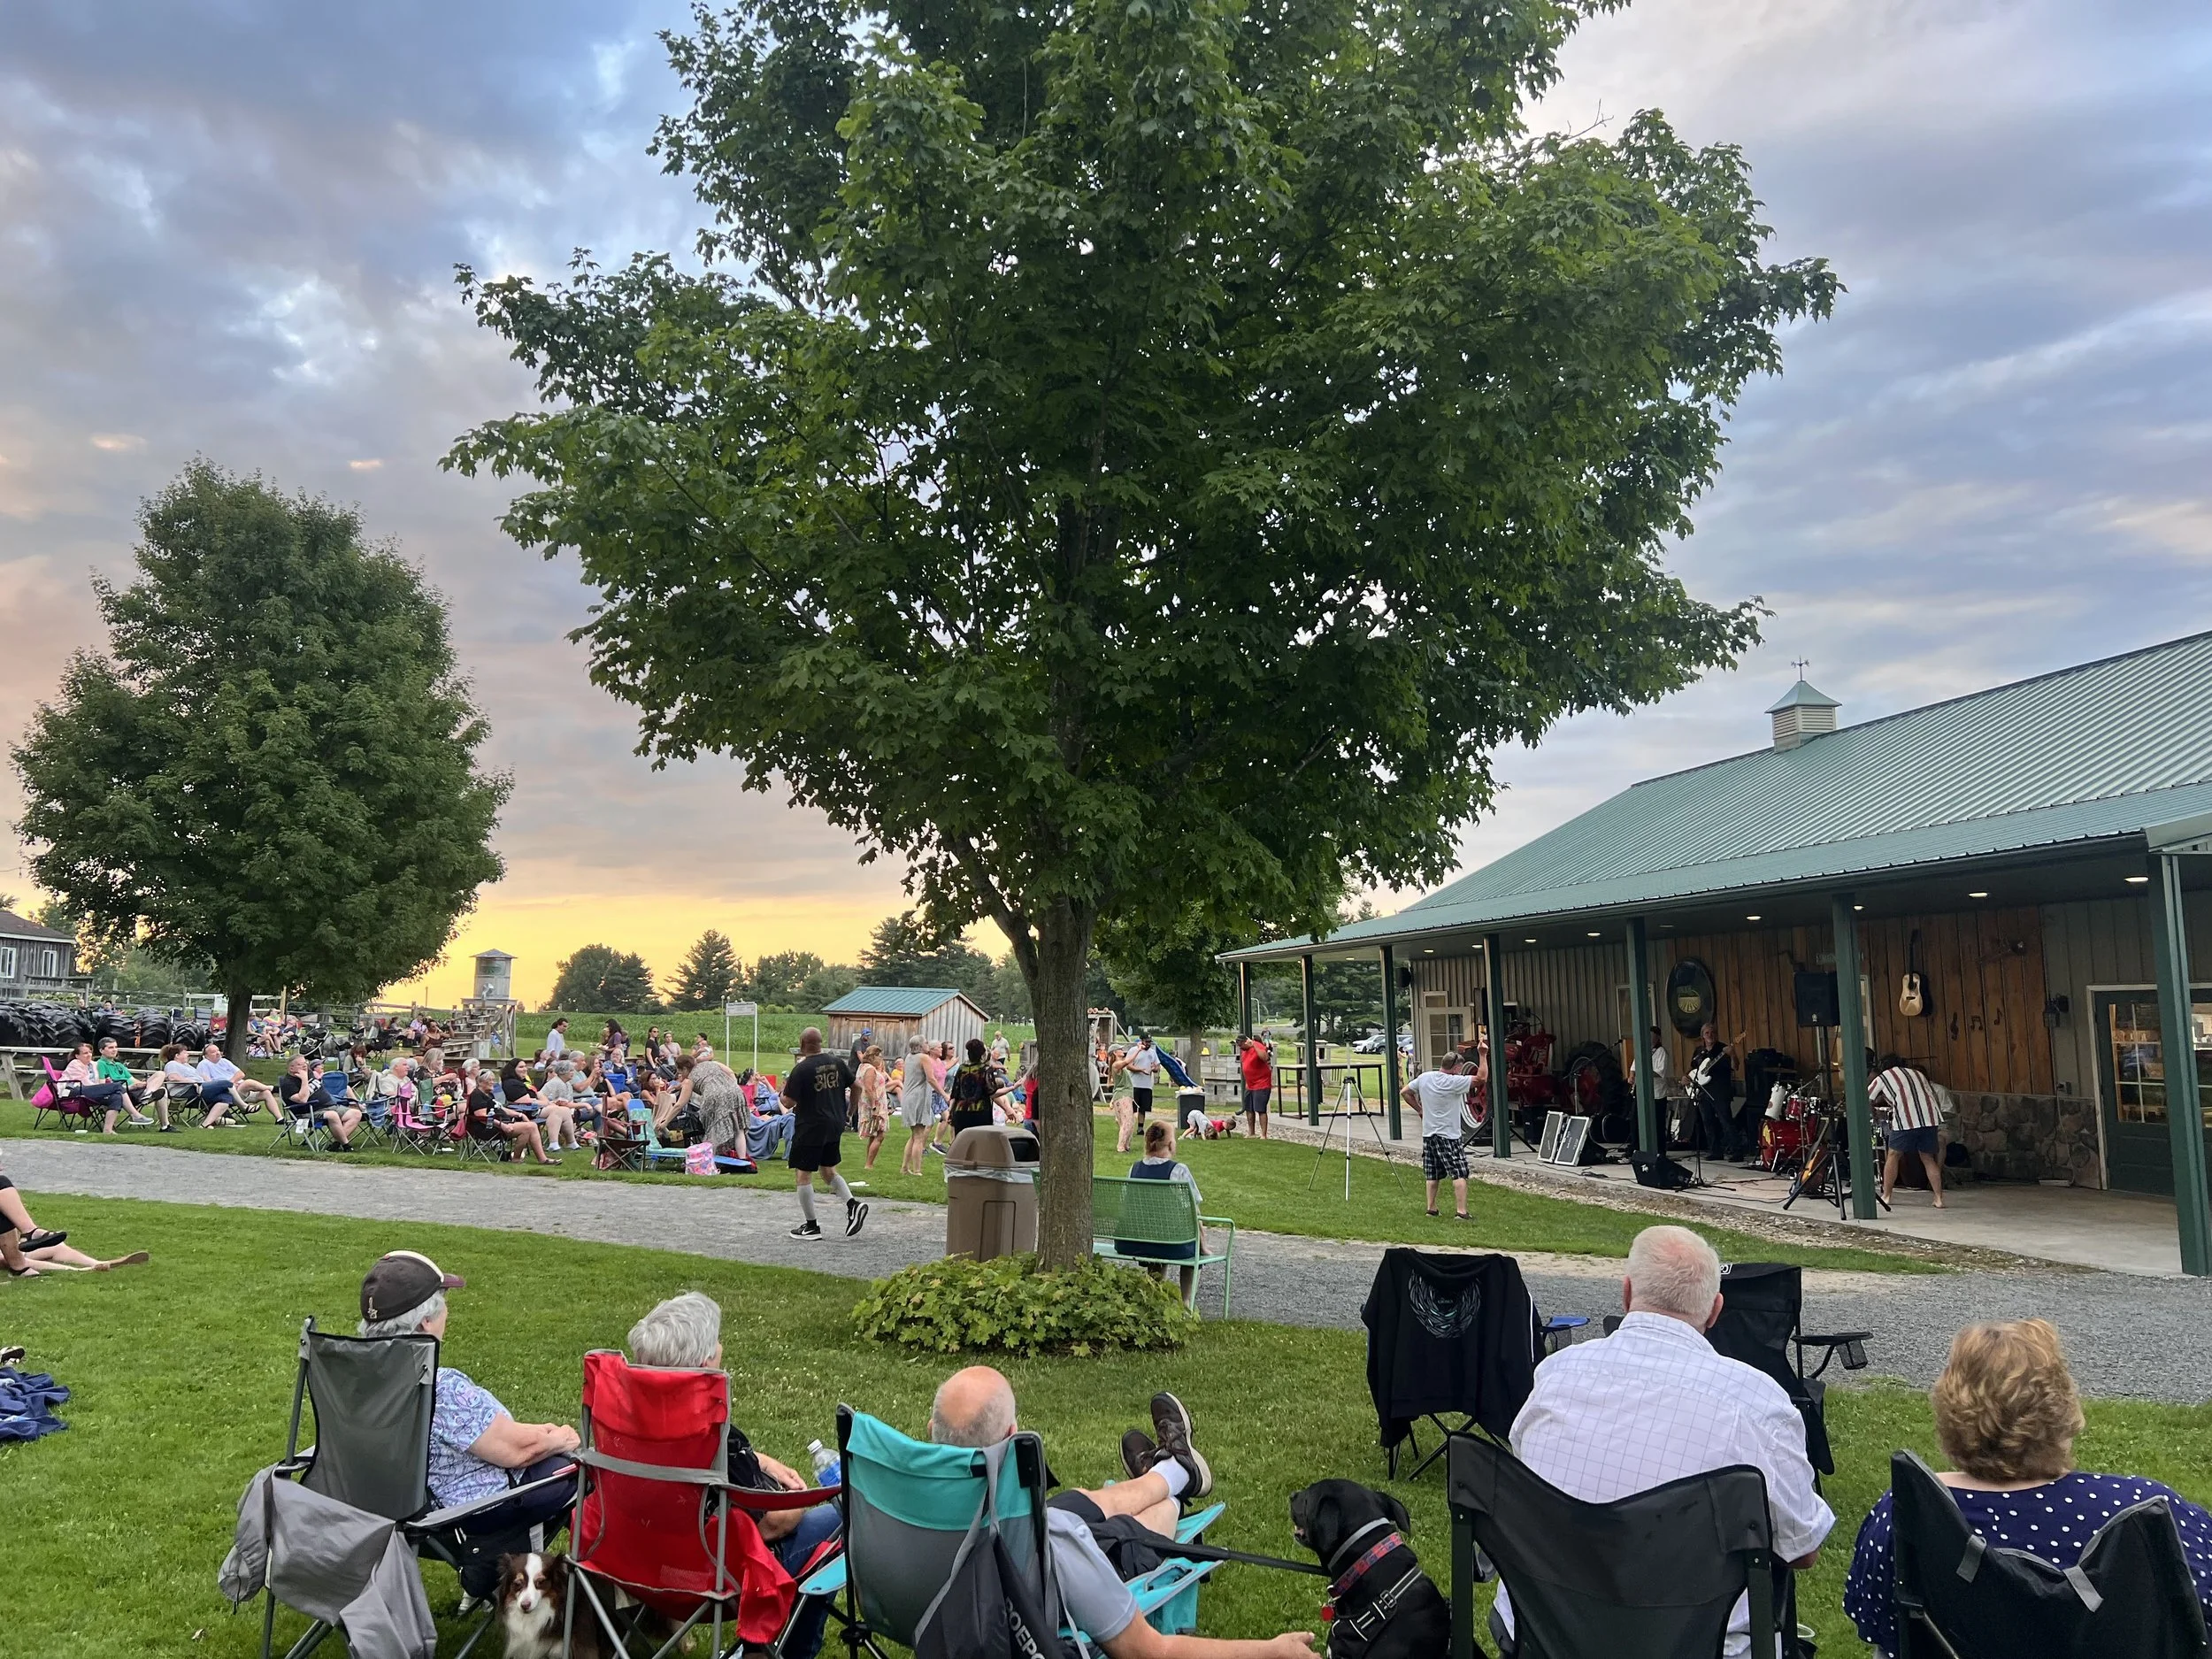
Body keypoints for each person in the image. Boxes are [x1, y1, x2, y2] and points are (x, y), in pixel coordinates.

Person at [1497, 1226, 1832, 1657]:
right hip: (1698, 1646)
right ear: (1715, 1311)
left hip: (1544, 1637)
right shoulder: (1756, 1401)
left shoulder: (1554, 1376)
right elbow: (1802, 1549)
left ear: (1626, 1293)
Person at [1844, 1317, 2212, 1656]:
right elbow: (2197, 1618)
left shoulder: (1912, 1511)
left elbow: (1881, 1627)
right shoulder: (2148, 1507)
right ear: (2062, 1404)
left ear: (1950, 1408)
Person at [928, 1369, 1312, 1659]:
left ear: (931, 1430)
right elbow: (1150, 1651)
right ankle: (1175, 1487)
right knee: (1135, 1528)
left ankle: (1175, 1471)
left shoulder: (900, 1514)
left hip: (991, 1522)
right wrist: (1273, 1650)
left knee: (1084, 1500)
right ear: (1014, 1436)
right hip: (1036, 1571)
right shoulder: (1058, 1540)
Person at [356, 1251, 579, 1601]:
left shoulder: (356, 1380)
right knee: (574, 1468)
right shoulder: (438, 1388)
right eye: (442, 1303)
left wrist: (539, 1432)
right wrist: (561, 1437)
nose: (447, 1312)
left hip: (386, 1508)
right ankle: (589, 1591)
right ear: (425, 1323)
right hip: (464, 1519)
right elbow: (517, 1452)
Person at [629, 1293, 841, 1658]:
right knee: (838, 1520)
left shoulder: (625, 1421)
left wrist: (759, 1461)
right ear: (703, 1362)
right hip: (709, 1579)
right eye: (716, 1343)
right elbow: (772, 1522)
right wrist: (795, 1504)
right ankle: (778, 1652)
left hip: (638, 1565)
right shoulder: (710, 1432)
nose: (721, 1348)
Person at [781, 1028, 867, 1240]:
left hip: (811, 1125)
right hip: (834, 1123)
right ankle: (853, 1205)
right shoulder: (836, 1062)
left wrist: (782, 1093)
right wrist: (851, 1111)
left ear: (802, 1043)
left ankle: (811, 1227)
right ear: (821, 1043)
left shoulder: (801, 1069)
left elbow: (788, 1102)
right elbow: (856, 1085)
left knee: (803, 1174)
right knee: (828, 1170)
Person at [1125, 1122, 1207, 1302]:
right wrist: (1202, 1243)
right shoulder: (1178, 1170)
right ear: (1170, 1144)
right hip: (1172, 1243)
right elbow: (1194, 1210)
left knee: (1158, 1241)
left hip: (1140, 1240)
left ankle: (1155, 1297)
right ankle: (1186, 1302)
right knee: (1192, 1251)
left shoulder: (1134, 1169)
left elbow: (1128, 1201)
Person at [1401, 1054, 1474, 1221]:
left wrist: (1420, 1109)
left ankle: (1431, 1209)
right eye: (1460, 1069)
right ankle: (1461, 1212)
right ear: (1456, 1068)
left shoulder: (1425, 1077)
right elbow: (1482, 1078)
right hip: (1449, 1135)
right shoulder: (1454, 1082)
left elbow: (1405, 1092)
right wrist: (1483, 1055)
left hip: (1429, 1134)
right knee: (1459, 1172)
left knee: (1432, 1173)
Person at [1870, 1054, 1948, 1209]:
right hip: (1930, 1118)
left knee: (1893, 1155)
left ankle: (1886, 1195)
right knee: (1928, 1157)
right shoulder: (1917, 1073)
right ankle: (1938, 1198)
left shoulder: (1885, 1076)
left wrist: (1873, 1113)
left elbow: (1866, 1096)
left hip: (1907, 1118)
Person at [464, 1066, 556, 1164]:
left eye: (493, 1080)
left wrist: (520, 1115)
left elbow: (502, 1108)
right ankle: (519, 1158)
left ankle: (537, 1158)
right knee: (529, 1127)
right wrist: (502, 1125)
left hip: (501, 1124)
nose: (492, 1082)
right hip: (487, 1129)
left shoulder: (488, 1094)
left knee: (531, 1126)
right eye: (489, 1080)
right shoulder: (477, 1095)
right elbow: (482, 1118)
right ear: (480, 1082)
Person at [277, 1054, 363, 1149]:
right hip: (308, 1112)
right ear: (291, 1068)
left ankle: (336, 1144)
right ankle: (346, 1145)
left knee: (356, 1114)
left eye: (305, 1062)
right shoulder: (287, 1083)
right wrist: (304, 1079)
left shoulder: (308, 1072)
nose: (305, 1065)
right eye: (300, 1064)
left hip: (330, 1106)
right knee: (332, 1115)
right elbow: (302, 1099)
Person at [81, 1037, 158, 1135]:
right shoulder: (101, 1064)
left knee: (160, 1075)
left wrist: (142, 1084)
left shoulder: (119, 1065)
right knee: (117, 1090)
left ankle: (165, 1124)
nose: (114, 1050)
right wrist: (129, 1088)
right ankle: (137, 1112)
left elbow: (132, 1079)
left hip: (133, 1089)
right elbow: (103, 1084)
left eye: (116, 1047)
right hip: (125, 1092)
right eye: (110, 1048)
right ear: (101, 1051)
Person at [1689, 1023, 1742, 1163]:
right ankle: (1715, 1150)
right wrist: (1686, 1078)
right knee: (1708, 1121)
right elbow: (1694, 1070)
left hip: (1720, 1091)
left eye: (1712, 1032)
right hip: (1703, 1091)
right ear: (1702, 1036)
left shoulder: (1723, 1049)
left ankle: (1737, 1151)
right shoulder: (1699, 1051)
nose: (1710, 1035)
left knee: (1726, 1121)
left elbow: (1735, 1067)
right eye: (1707, 1033)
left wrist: (1732, 1055)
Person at [201, 1041, 278, 1121]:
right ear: (206, 1056)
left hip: (239, 1090)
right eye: (213, 1052)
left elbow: (241, 1074)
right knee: (248, 1083)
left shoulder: (224, 1061)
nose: (217, 1053)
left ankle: (280, 1119)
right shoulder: (204, 1064)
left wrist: (232, 1081)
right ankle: (272, 1089)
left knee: (266, 1093)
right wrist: (228, 1084)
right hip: (227, 1094)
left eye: (218, 1050)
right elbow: (209, 1083)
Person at [159, 1041, 226, 1128]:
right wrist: (192, 1081)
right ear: (177, 1055)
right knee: (226, 1084)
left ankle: (207, 1123)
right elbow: (172, 1077)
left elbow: (199, 1075)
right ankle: (244, 1107)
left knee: (225, 1097)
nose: (188, 1054)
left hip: (198, 1089)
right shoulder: (172, 1064)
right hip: (185, 1092)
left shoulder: (186, 1065)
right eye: (185, 1053)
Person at [737, 1070, 795, 1161]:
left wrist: (767, 1084)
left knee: (789, 1116)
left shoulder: (762, 1085)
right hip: (763, 1108)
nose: (758, 1074)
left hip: (771, 1107)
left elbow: (775, 1097)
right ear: (751, 1076)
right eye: (755, 1073)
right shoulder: (751, 1086)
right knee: (790, 1116)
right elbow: (754, 1099)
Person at [898, 1037, 934, 1176]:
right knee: (919, 1136)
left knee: (914, 1136)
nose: (928, 1044)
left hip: (909, 1097)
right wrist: (944, 1094)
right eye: (926, 1042)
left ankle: (905, 1168)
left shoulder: (908, 1057)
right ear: (919, 1046)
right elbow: (931, 1078)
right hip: (918, 1098)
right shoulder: (924, 1058)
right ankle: (917, 1170)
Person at [947, 1038, 997, 1137]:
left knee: (962, 1144)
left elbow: (955, 1093)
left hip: (961, 1111)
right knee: (980, 1145)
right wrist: (1010, 1088)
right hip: (980, 1112)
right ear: (982, 1054)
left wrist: (951, 1111)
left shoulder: (961, 1068)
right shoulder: (985, 1069)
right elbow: (992, 1091)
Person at [856, 1044, 891, 1168]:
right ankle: (869, 1164)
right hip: (873, 1105)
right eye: (879, 1057)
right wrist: (875, 1106)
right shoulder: (870, 1069)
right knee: (880, 1135)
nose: (881, 1060)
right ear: (874, 1056)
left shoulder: (862, 1067)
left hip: (872, 1103)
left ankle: (869, 1162)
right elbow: (869, 1088)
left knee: (874, 1133)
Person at [1237, 1035, 1273, 1141]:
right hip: (1250, 1085)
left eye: (1241, 1045)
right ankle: (1251, 1132)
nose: (1240, 1047)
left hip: (1262, 1084)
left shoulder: (1257, 1046)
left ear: (1246, 1041)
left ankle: (1263, 1135)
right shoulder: (1244, 1051)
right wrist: (1247, 1082)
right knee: (1249, 1109)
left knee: (1261, 1109)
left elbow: (1265, 1057)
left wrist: (1254, 1045)